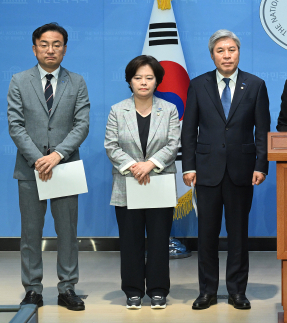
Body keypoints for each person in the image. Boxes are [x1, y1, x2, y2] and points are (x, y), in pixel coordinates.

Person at [182, 29, 270, 310]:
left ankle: (237, 291)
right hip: (206, 170)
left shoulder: (255, 85)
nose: (227, 55)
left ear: (238, 53)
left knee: (238, 236)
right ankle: (207, 290)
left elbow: (262, 130)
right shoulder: (198, 85)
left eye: (231, 49)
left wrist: (261, 164)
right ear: (212, 55)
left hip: (242, 170)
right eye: (221, 50)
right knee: (206, 236)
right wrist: (188, 166)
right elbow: (188, 131)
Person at [7, 22, 90, 311]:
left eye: (57, 44)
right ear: (34, 48)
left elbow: (82, 126)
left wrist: (57, 156)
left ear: (65, 49)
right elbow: (15, 125)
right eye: (44, 44)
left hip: (65, 168)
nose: (50, 49)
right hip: (30, 169)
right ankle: (32, 290)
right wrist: (38, 159)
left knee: (68, 232)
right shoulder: (19, 80)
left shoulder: (77, 82)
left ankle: (67, 288)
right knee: (31, 233)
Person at [104, 55, 180, 310]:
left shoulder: (169, 109)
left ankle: (158, 290)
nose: (144, 83)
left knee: (159, 240)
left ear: (157, 80)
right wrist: (134, 167)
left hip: (159, 182)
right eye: (138, 78)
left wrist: (150, 164)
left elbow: (173, 144)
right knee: (131, 240)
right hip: (127, 183)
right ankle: (133, 290)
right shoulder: (117, 110)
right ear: (129, 81)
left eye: (149, 78)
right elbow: (111, 146)